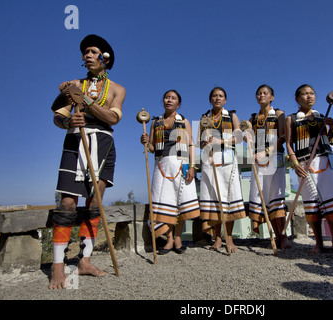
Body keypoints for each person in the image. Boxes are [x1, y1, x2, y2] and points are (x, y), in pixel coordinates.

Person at [49, 34, 126, 289]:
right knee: (68, 202)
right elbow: (57, 116)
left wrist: (86, 100)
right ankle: (58, 266)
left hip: (103, 142)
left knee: (95, 203)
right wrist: (69, 120)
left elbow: (113, 118)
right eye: (86, 53)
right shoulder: (73, 84)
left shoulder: (117, 89)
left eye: (93, 51)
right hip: (75, 141)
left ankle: (85, 261)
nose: (88, 55)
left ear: (106, 58)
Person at [285, 84, 333, 255]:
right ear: (297, 99)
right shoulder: (291, 118)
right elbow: (289, 145)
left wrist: (332, 128)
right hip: (305, 163)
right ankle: (319, 243)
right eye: (305, 94)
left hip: (326, 162)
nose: (309, 97)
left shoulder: (322, 117)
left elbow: (330, 139)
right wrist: (295, 165)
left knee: (332, 202)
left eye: (312, 93)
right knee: (312, 205)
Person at [140, 90, 200, 255]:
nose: (169, 100)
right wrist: (145, 143)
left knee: (180, 202)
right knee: (164, 201)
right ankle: (169, 238)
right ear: (163, 101)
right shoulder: (155, 122)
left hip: (181, 164)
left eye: (173, 98)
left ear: (178, 104)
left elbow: (191, 145)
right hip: (161, 165)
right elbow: (152, 148)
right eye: (167, 97)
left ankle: (179, 237)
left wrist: (192, 167)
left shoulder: (184, 121)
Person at [198, 87, 246, 253]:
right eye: (214, 96)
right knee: (215, 198)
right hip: (210, 160)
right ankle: (218, 238)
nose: (217, 98)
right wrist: (204, 143)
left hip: (227, 160)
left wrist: (220, 141)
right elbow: (199, 142)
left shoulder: (232, 116)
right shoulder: (205, 118)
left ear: (225, 100)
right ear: (210, 99)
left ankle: (229, 238)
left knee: (229, 198)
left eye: (221, 96)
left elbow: (239, 138)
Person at [246, 84, 290, 250]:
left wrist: (267, 151)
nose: (261, 96)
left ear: (272, 97)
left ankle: (283, 236)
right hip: (258, 160)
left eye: (265, 93)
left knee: (276, 197)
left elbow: (283, 137)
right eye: (258, 93)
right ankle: (275, 235)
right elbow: (250, 137)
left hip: (274, 157)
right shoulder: (253, 119)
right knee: (264, 198)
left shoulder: (278, 114)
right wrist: (247, 137)